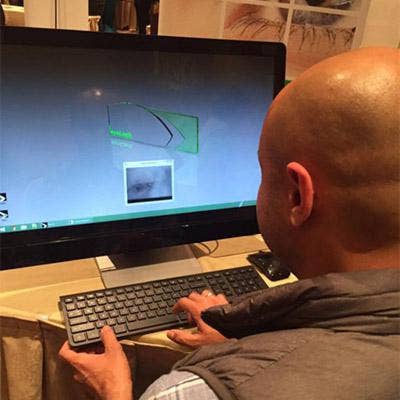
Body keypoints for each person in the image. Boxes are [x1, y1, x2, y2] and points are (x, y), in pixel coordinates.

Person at [59, 47, 400, 400]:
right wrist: (235, 345)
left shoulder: (190, 392)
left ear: (298, 196)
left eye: (263, 170)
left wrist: (113, 389)